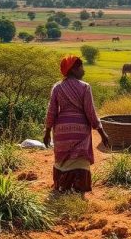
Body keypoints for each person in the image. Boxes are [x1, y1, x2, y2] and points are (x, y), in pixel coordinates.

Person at [43, 54, 110, 194]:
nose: (83, 71)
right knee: (79, 159)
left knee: (63, 158)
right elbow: (90, 113)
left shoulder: (57, 87)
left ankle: (62, 187)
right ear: (73, 70)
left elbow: (51, 112)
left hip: (60, 131)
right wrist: (102, 133)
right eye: (81, 68)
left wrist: (47, 132)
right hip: (80, 131)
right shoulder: (85, 87)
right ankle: (77, 189)